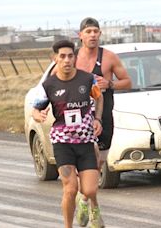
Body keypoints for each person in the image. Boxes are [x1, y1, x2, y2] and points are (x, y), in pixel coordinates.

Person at [32, 40, 105, 228]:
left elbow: (99, 97)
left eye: (70, 56)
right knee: (70, 189)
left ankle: (90, 204)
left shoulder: (88, 79)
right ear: (54, 58)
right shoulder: (48, 85)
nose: (66, 60)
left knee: (89, 189)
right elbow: (35, 109)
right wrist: (38, 114)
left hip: (86, 140)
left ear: (75, 57)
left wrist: (97, 119)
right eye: (62, 56)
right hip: (62, 142)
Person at [74, 16, 131, 225]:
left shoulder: (109, 58)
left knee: (97, 165)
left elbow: (128, 82)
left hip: (104, 118)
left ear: (100, 34)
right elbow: (54, 81)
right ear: (80, 35)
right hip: (78, 120)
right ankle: (92, 207)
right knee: (85, 164)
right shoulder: (72, 58)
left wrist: (110, 83)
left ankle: (85, 199)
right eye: (88, 32)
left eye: (95, 32)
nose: (92, 35)